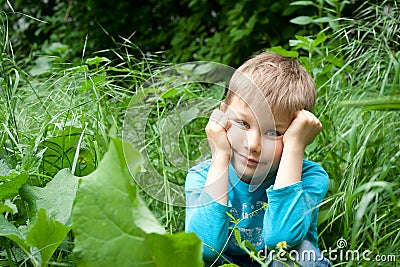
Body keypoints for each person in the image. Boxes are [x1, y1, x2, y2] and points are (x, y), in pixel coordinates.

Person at [185, 52, 332, 267]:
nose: (253, 144)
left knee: (296, 256)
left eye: (274, 132)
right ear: (222, 119)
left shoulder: (310, 178)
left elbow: (282, 240)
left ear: (296, 133)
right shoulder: (201, 177)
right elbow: (204, 249)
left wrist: (294, 148)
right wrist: (221, 156)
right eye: (243, 124)